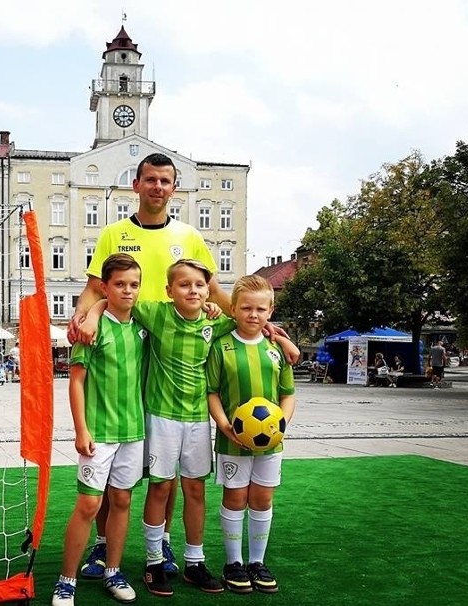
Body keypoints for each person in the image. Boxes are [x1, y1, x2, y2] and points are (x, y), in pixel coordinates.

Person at [68, 152, 299, 580]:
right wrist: (89, 314)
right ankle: (102, 547)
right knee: (120, 464)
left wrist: (256, 322)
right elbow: (97, 286)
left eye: (166, 181)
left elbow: (214, 288)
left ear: (174, 188)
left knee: (168, 477)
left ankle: (165, 546)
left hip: (177, 353)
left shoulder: (188, 236)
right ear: (135, 185)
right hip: (129, 349)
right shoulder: (113, 234)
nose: (158, 187)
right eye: (150, 180)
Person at [82, 259, 240, 596]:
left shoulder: (217, 323)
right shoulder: (155, 314)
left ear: (208, 290)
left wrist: (280, 338)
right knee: (161, 489)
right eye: (184, 285)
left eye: (200, 285)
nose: (193, 290)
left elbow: (249, 321)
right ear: (169, 291)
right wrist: (93, 314)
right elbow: (111, 297)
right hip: (160, 417)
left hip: (198, 420)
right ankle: (154, 562)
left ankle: (194, 563)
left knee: (195, 490)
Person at [51, 254, 147, 606]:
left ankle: (113, 571)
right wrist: (81, 430)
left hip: (133, 432)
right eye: (119, 284)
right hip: (99, 433)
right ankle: (66, 580)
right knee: (90, 504)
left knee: (121, 499)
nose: (128, 290)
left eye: (134, 284)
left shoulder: (143, 326)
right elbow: (76, 383)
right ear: (105, 287)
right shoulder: (90, 330)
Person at [206, 274, 296, 594]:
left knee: (262, 498)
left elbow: (287, 393)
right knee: (235, 497)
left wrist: (281, 424)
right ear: (234, 308)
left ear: (270, 310)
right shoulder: (222, 347)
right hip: (233, 440)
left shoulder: (275, 348)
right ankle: (233, 563)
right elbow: (213, 392)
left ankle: (256, 561)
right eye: (246, 308)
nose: (253, 315)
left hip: (271, 442)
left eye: (260, 309)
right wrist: (224, 424)